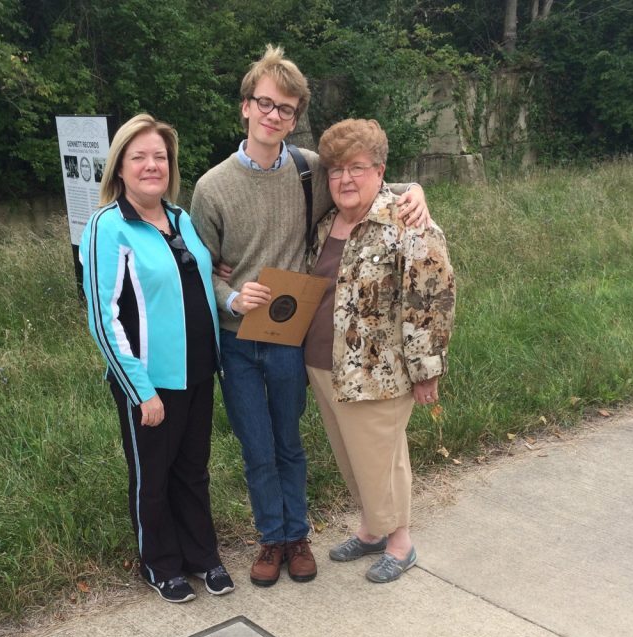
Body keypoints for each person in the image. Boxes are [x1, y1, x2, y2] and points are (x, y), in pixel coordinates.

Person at [190, 45, 429, 588]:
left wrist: (415, 192)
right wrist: (230, 296)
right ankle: (271, 540)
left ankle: (298, 535)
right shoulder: (211, 188)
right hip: (238, 339)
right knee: (257, 446)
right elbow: (199, 270)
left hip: (290, 338)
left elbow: (364, 184)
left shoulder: (309, 170)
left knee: (290, 444)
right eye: (266, 104)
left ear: (296, 118)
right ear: (246, 107)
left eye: (287, 110)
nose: (275, 116)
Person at [80, 113, 233, 603]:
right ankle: (160, 562)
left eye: (160, 157)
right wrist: (140, 389)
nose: (152, 165)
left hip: (197, 372)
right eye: (139, 157)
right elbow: (104, 319)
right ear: (119, 168)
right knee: (153, 475)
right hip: (150, 381)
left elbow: (196, 278)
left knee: (193, 468)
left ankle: (201, 555)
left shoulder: (181, 219)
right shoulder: (108, 227)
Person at [303, 118, 455, 582]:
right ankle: (371, 531)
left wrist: (427, 369)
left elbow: (431, 298)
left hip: (380, 372)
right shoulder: (329, 222)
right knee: (352, 457)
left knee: (383, 459)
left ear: (380, 170)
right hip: (324, 365)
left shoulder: (406, 221)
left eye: (356, 168)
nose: (344, 179)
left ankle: (400, 542)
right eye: (335, 170)